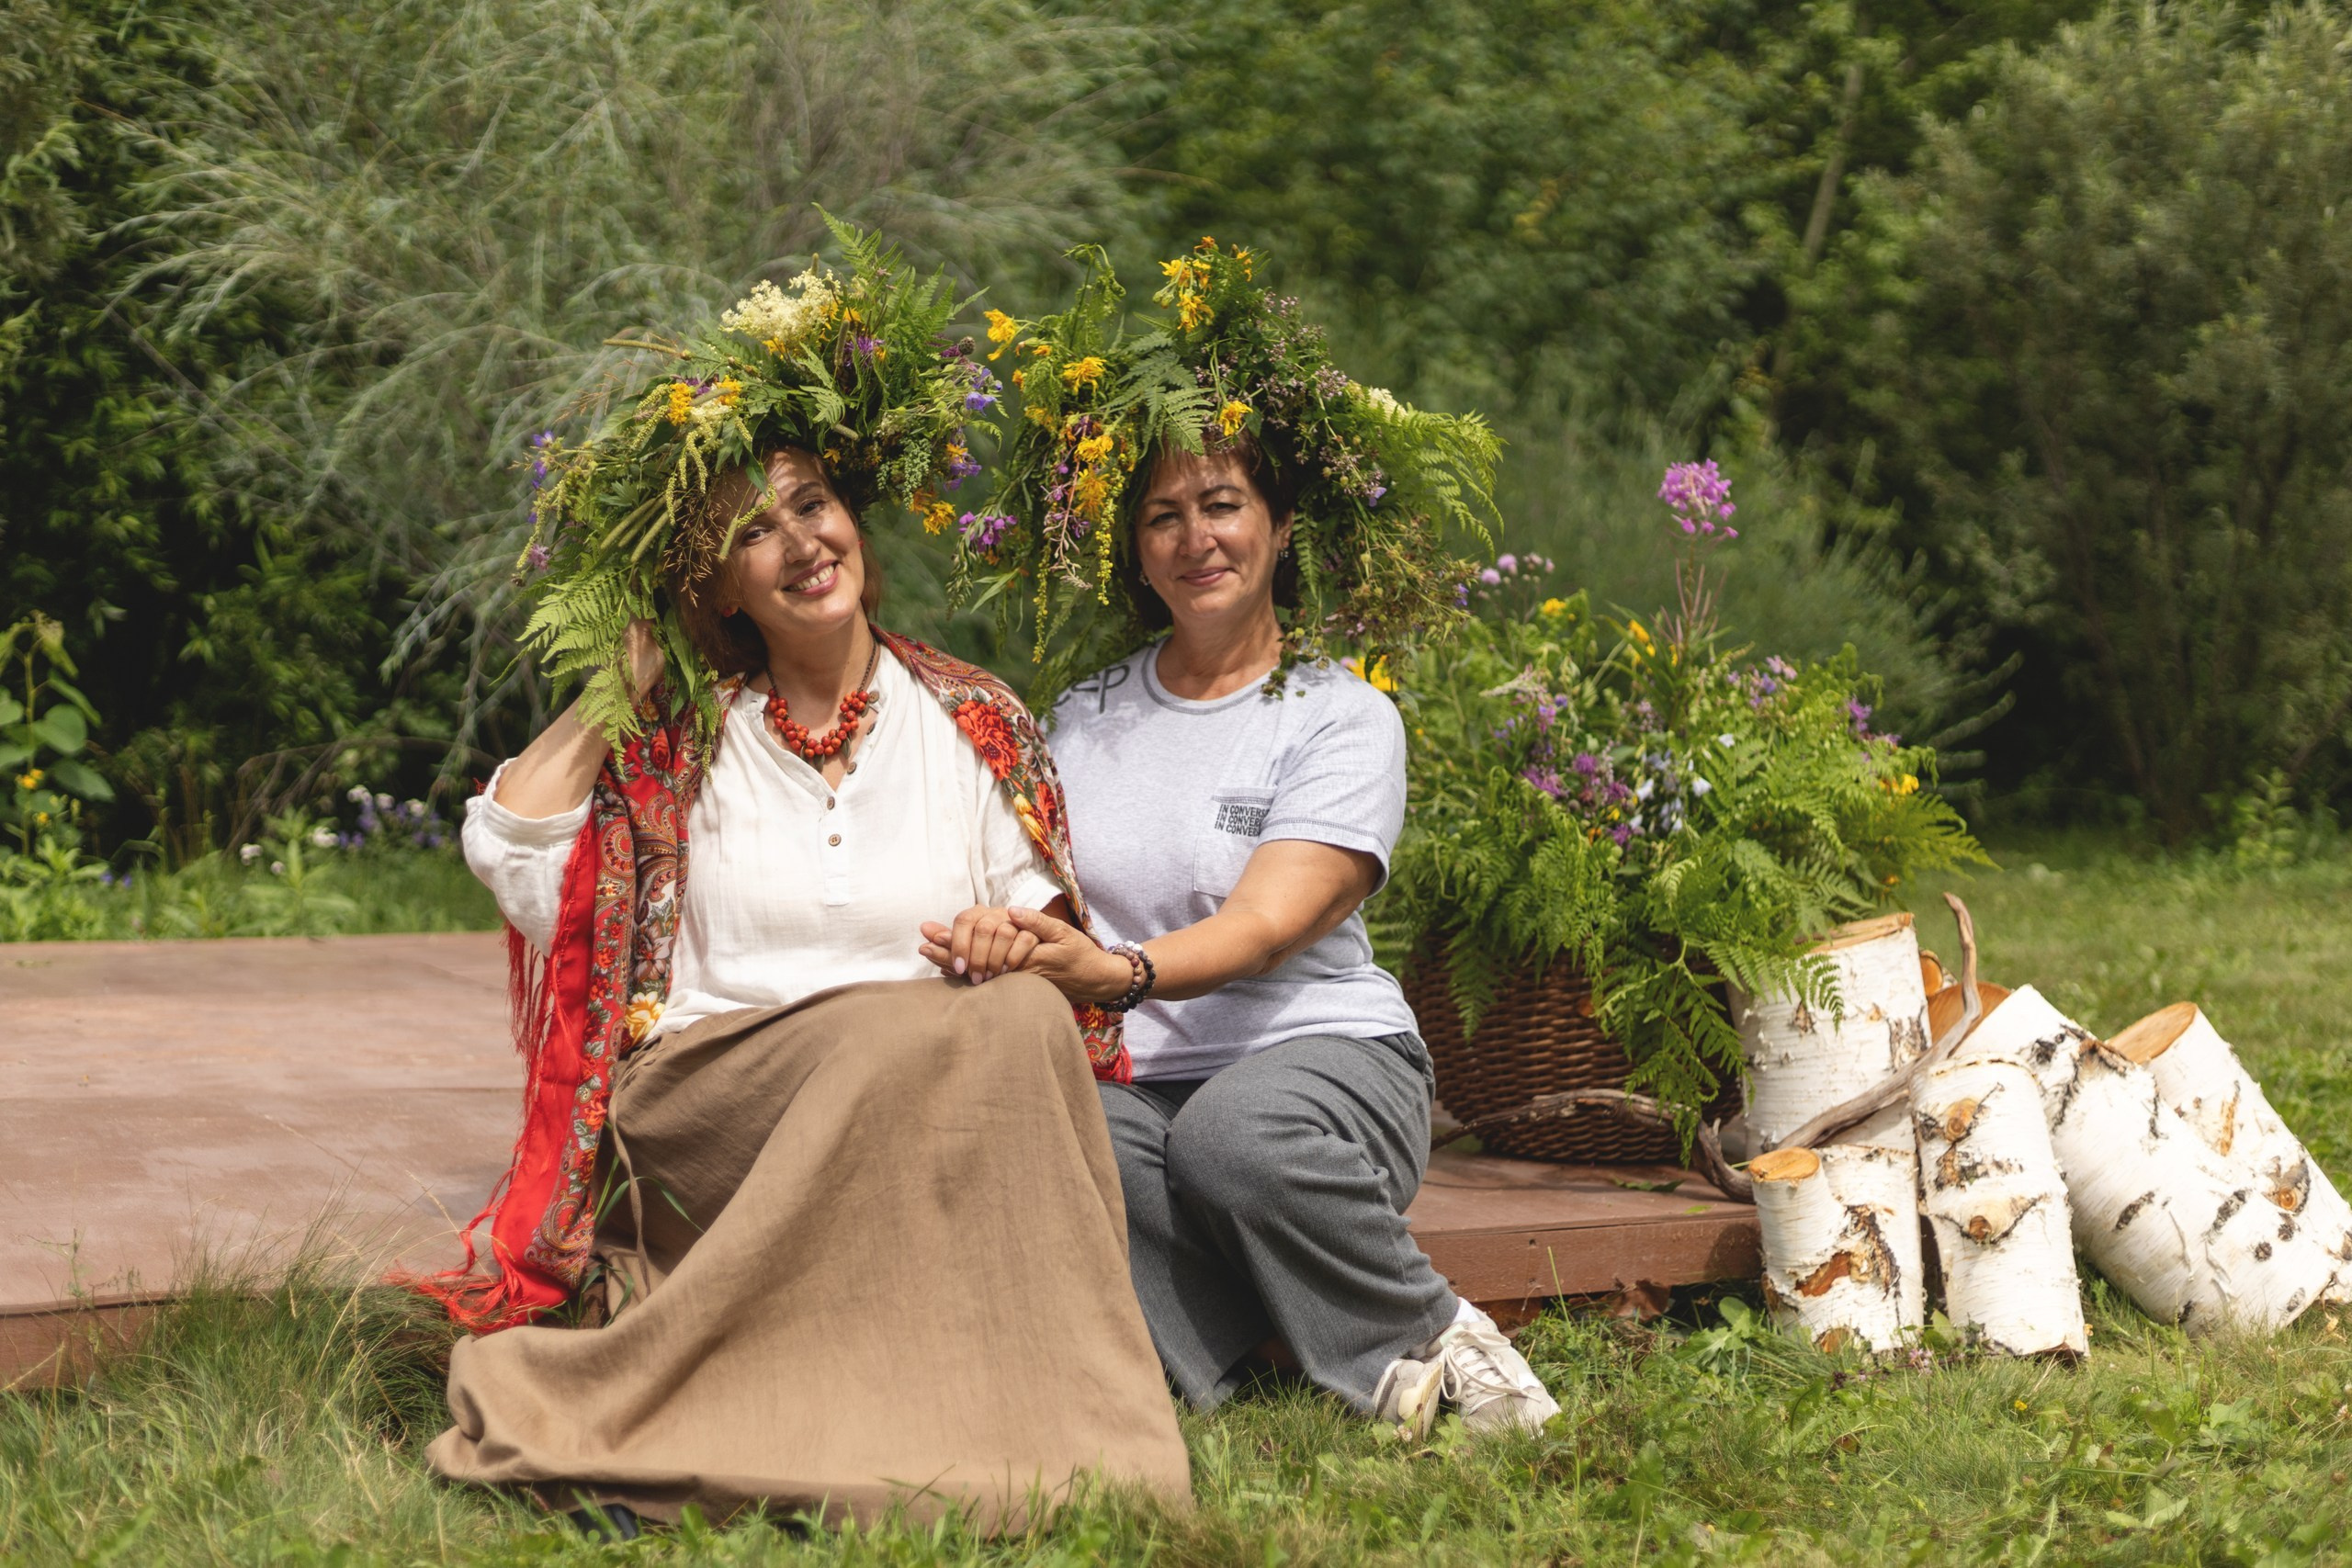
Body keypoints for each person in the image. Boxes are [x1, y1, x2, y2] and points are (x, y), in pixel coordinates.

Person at [417, 247, 1189, 1533]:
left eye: (811, 503)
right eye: (748, 534)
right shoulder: (684, 744)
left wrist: (1017, 942)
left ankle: (1044, 1440)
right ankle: (696, 1413)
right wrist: (619, 682)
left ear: (855, 521)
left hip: (922, 1106)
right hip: (719, 1107)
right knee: (933, 1032)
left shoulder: (971, 722)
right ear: (716, 585)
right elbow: (511, 856)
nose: (798, 543)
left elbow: (1062, 968)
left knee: (1005, 1024)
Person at [919, 243, 1561, 1439]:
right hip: (1142, 1078)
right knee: (1038, 1131)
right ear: (1133, 550)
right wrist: (1012, 932)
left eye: (1222, 504)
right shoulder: (1085, 715)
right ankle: (1248, 1371)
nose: (1194, 537)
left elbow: (1270, 925)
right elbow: (1058, 894)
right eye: (1162, 516)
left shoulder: (1339, 714)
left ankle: (1435, 1345)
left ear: (1277, 526)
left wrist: (1118, 975)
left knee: (1232, 1136)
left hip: (1322, 1067)